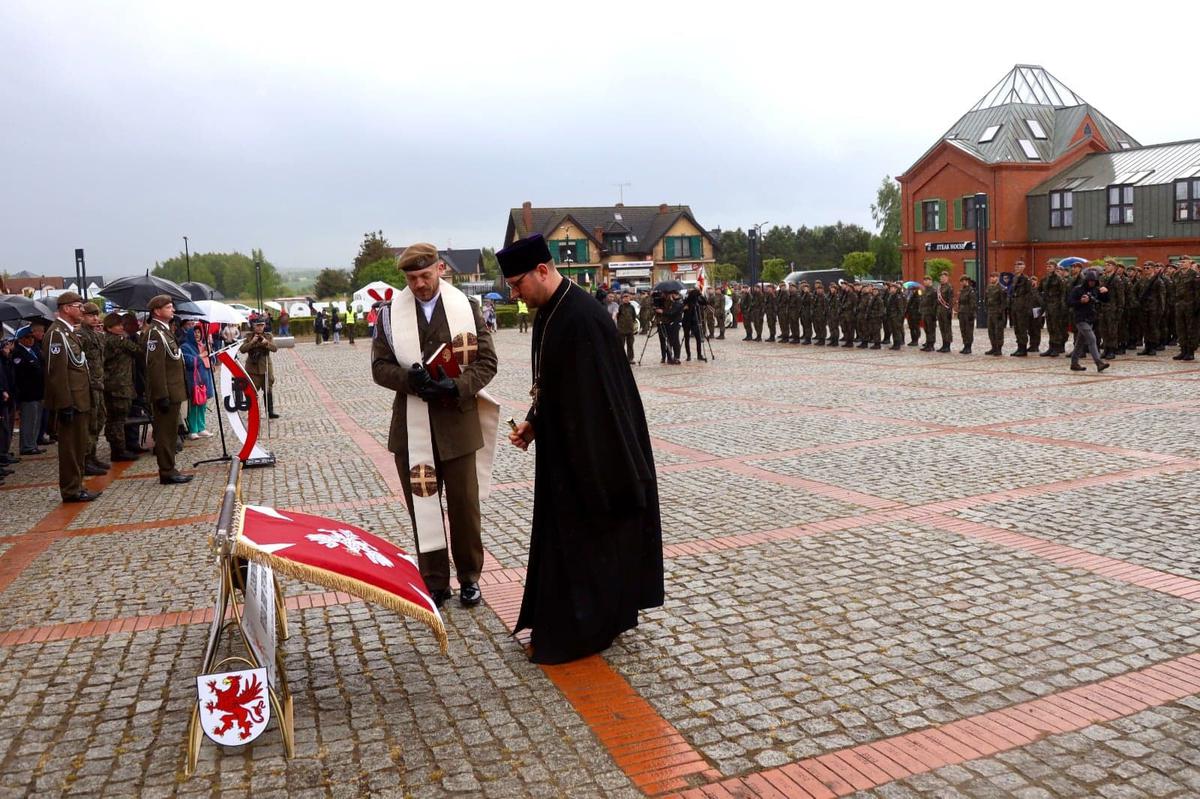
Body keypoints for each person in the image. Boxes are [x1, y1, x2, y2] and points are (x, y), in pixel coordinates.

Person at [500, 234, 663, 665]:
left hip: (594, 457)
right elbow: (554, 384)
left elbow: (600, 400)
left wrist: (585, 464)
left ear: (542, 270)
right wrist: (535, 423)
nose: (515, 295)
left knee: (590, 543)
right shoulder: (550, 311)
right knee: (563, 542)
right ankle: (563, 619)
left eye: (517, 285)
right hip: (565, 450)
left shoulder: (583, 317)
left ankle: (584, 630)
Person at [371, 243, 498, 609]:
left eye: (425, 276)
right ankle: (435, 581)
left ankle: (470, 577)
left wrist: (455, 386)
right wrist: (410, 380)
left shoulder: (466, 308)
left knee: (464, 508)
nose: (419, 284)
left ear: (440, 269)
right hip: (412, 429)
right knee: (422, 508)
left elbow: (487, 362)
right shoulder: (389, 315)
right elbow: (379, 367)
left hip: (458, 425)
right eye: (412, 278)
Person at [43, 292, 99, 502]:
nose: (82, 310)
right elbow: (56, 373)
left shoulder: (68, 333)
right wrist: (64, 403)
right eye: (78, 306)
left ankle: (77, 485)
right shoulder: (57, 334)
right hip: (71, 402)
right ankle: (71, 489)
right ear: (66, 308)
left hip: (80, 400)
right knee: (70, 448)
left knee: (78, 446)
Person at [140, 295, 193, 486]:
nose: (173, 310)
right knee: (164, 433)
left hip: (173, 391)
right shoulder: (155, 333)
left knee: (170, 433)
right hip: (166, 393)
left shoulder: (164, 331)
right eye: (169, 307)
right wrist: (161, 395)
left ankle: (170, 468)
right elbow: (155, 367)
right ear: (157, 311)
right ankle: (167, 471)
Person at [102, 313, 142, 461]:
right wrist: (143, 331)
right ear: (109, 328)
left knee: (114, 419)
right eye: (118, 325)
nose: (121, 328)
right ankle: (119, 451)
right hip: (119, 386)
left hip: (113, 385)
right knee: (118, 420)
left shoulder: (107, 339)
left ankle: (118, 448)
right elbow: (138, 350)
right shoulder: (117, 340)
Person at [78, 303, 109, 475]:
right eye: (91, 315)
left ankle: (92, 455)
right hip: (89, 385)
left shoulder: (95, 335)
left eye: (96, 315)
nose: (95, 319)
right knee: (90, 423)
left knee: (99, 420)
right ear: (82, 317)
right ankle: (85, 459)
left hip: (98, 384)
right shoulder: (81, 335)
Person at [1067, 268, 1111, 373]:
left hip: (1091, 319)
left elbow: (1105, 300)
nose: (1092, 283)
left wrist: (1106, 292)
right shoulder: (1078, 289)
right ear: (1086, 280)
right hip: (1080, 319)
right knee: (1092, 339)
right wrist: (1081, 301)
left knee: (1080, 343)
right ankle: (1099, 363)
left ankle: (1074, 363)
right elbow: (1069, 302)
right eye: (1090, 281)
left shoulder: (1095, 290)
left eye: (1094, 281)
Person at [12, 325, 45, 456]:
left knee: (36, 420)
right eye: (27, 337)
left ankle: (33, 444)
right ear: (20, 339)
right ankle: (27, 446)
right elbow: (20, 376)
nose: (31, 340)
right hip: (28, 394)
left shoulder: (33, 351)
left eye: (32, 337)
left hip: (38, 392)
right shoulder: (18, 353)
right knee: (28, 421)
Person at [240, 315, 280, 419]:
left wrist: (266, 343)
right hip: (252, 368)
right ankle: (253, 412)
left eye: (262, 325)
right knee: (252, 392)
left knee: (268, 389)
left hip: (265, 366)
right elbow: (242, 350)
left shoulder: (268, 336)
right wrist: (252, 342)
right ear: (253, 326)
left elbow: (275, 348)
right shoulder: (249, 336)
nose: (260, 327)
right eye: (258, 325)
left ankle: (270, 412)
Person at [182, 322, 214, 439]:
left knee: (202, 405)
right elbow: (188, 361)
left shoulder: (204, 346)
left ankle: (201, 428)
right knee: (194, 406)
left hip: (204, 380)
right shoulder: (185, 346)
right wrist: (200, 356)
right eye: (195, 332)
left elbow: (212, 361)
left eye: (199, 332)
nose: (197, 334)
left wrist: (210, 351)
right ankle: (193, 430)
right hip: (194, 380)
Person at [1010, 260, 1033, 356]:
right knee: (1017, 328)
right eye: (1016, 266)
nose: (1017, 268)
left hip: (1023, 307)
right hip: (1015, 306)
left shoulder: (1026, 280)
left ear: (1023, 268)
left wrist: (1027, 308)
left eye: (1019, 266)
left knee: (1022, 328)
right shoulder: (1015, 278)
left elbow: (1029, 294)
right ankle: (1019, 347)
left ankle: (1023, 348)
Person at [681, 288, 707, 362]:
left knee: (698, 338)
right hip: (687, 321)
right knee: (687, 338)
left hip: (695, 321)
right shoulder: (686, 300)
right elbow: (681, 308)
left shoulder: (697, 300)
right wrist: (684, 308)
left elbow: (705, 302)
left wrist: (700, 294)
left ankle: (699, 355)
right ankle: (688, 355)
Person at [984, 274, 1008, 356]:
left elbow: (1004, 302)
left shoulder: (1001, 288)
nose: (991, 279)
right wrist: (986, 308)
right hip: (990, 312)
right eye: (991, 277)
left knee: (998, 331)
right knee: (991, 331)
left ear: (997, 278)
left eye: (993, 277)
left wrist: (1000, 311)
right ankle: (993, 347)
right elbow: (986, 299)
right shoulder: (989, 287)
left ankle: (999, 348)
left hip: (998, 312)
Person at [616, 292, 637, 364]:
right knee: (621, 345)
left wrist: (631, 324)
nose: (626, 299)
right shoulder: (620, 307)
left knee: (630, 344)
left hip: (630, 329)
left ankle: (630, 359)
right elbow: (618, 317)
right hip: (621, 329)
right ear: (622, 299)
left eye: (627, 297)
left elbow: (634, 317)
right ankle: (620, 359)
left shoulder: (632, 307)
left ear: (629, 298)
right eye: (624, 298)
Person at [957, 275, 977, 355]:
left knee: (968, 331)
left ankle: (969, 347)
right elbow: (960, 302)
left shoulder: (971, 290)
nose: (962, 283)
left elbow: (973, 303)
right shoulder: (962, 290)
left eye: (963, 281)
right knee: (963, 330)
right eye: (961, 281)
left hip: (968, 313)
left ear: (966, 281)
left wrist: (972, 314)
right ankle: (965, 345)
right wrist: (959, 312)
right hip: (962, 312)